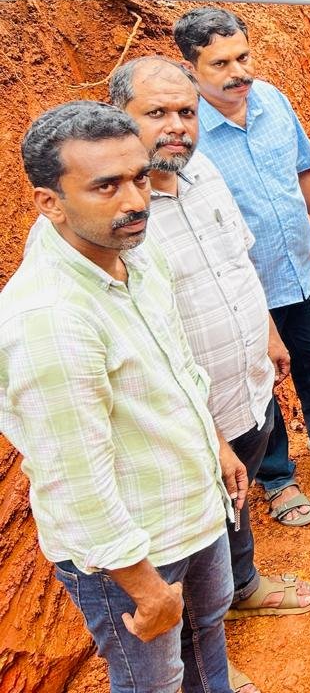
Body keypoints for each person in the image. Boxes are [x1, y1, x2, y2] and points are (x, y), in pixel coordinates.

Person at [1, 101, 243, 693]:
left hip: (193, 502)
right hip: (133, 555)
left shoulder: (131, 245)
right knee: (151, 682)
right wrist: (146, 588)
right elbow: (75, 481)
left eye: (138, 177)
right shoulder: (49, 320)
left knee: (209, 629)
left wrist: (214, 442)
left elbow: (176, 363)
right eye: (105, 185)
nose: (135, 199)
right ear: (49, 202)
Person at [105, 58, 310, 689]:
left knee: (236, 504)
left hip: (246, 391)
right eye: (156, 114)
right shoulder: (120, 219)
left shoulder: (204, 173)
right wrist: (207, 434)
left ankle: (245, 585)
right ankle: (207, 663)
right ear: (121, 120)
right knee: (196, 549)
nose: (177, 127)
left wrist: (271, 336)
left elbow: (238, 262)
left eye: (186, 113)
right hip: (188, 427)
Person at [174, 7, 310, 530]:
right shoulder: (188, 135)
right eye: (220, 63)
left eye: (242, 56)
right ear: (191, 69)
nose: (238, 72)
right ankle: (275, 475)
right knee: (258, 382)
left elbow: (306, 174)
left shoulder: (271, 100)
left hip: (300, 263)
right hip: (241, 290)